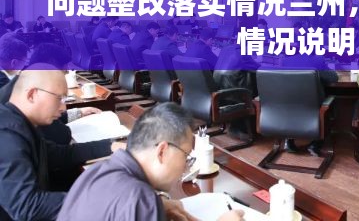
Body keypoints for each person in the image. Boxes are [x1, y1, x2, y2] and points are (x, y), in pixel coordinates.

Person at [57, 103, 243, 221]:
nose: (185, 168)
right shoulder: (140, 201)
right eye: (186, 156)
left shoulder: (96, 171)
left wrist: (158, 204)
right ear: (162, 151)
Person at [0, 66, 124, 221]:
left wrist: (111, 146)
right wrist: (101, 201)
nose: (63, 107)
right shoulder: (7, 134)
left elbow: (60, 154)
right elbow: (27, 206)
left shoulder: (21, 123)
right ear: (32, 94)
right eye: (59, 98)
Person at [280, 53, 339, 156]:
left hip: (288, 107)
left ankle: (289, 141)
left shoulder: (285, 60)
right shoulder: (317, 60)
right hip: (313, 109)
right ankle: (316, 144)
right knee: (329, 104)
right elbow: (333, 78)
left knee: (294, 100)